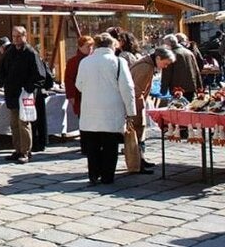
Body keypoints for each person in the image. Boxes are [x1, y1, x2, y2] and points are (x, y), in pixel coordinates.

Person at [75, 33, 136, 186]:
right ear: (112, 45)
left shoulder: (85, 62)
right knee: (110, 145)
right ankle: (107, 176)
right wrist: (131, 111)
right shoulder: (119, 62)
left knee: (92, 146)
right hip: (112, 110)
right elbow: (127, 88)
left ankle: (94, 174)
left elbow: (79, 85)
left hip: (90, 110)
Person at [0, 25, 47, 163]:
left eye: (18, 36)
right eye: (14, 36)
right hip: (12, 92)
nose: (16, 39)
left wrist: (28, 88)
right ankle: (17, 150)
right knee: (14, 124)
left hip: (24, 93)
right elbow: (1, 69)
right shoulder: (9, 52)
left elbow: (40, 76)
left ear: (24, 36)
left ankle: (25, 152)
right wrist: (1, 82)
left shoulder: (30, 52)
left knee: (24, 123)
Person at [129, 46, 176, 173]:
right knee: (137, 133)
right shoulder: (145, 67)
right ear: (158, 58)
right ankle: (138, 164)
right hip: (136, 105)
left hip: (137, 103)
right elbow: (137, 90)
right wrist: (139, 108)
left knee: (140, 134)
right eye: (165, 63)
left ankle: (141, 160)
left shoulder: (146, 65)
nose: (165, 66)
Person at [160, 33, 202, 100]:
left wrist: (163, 89)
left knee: (179, 105)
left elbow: (167, 74)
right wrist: (199, 87)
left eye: (165, 44)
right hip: (191, 87)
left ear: (169, 44)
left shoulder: (171, 55)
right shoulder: (189, 53)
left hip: (177, 89)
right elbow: (197, 71)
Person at [64, 35, 95, 117]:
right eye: (88, 46)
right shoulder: (73, 62)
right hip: (79, 97)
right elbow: (69, 80)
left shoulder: (95, 60)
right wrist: (71, 96)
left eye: (91, 46)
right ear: (80, 47)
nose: (90, 48)